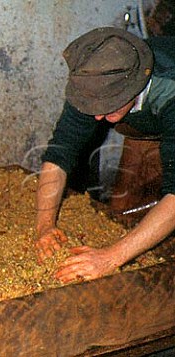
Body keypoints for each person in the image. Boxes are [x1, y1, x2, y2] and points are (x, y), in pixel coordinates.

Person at [35, 27, 175, 283]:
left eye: (108, 106)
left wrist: (110, 258)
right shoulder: (96, 78)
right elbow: (60, 152)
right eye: (93, 107)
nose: (97, 117)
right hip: (152, 115)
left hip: (169, 102)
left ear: (136, 86)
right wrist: (45, 226)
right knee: (124, 208)